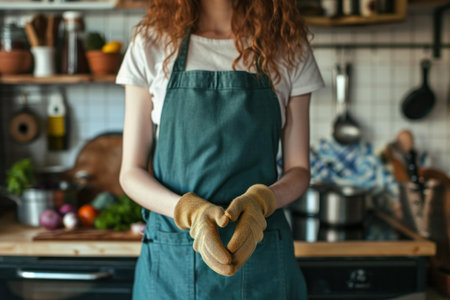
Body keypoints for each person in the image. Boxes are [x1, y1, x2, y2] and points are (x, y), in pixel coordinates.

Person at [116, 0, 324, 299]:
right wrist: (187, 211)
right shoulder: (153, 41)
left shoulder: (286, 45)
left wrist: (262, 202)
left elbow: (299, 170)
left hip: (260, 255)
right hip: (174, 259)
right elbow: (130, 172)